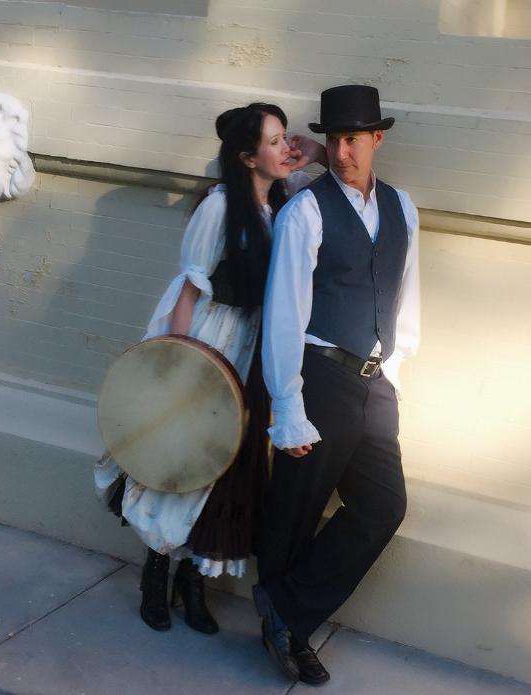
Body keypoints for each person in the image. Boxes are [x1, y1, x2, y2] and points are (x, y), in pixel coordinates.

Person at [95, 102, 325, 636]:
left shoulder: (287, 201)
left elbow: (325, 181)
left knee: (225, 468)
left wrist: (311, 152)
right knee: (183, 453)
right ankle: (156, 572)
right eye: (274, 141)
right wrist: (179, 363)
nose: (286, 148)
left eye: (285, 137)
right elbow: (190, 287)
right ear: (246, 157)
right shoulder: (220, 207)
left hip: (256, 347)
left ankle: (193, 581)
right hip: (212, 338)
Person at [254, 85, 420, 685]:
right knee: (296, 507)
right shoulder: (307, 210)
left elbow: (406, 296)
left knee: (383, 506)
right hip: (319, 375)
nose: (343, 152)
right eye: (334, 140)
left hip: (374, 384)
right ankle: (288, 632)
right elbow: (284, 312)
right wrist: (287, 405)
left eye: (354, 139)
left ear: (377, 139)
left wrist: (394, 370)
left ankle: (285, 610)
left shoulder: (403, 207)